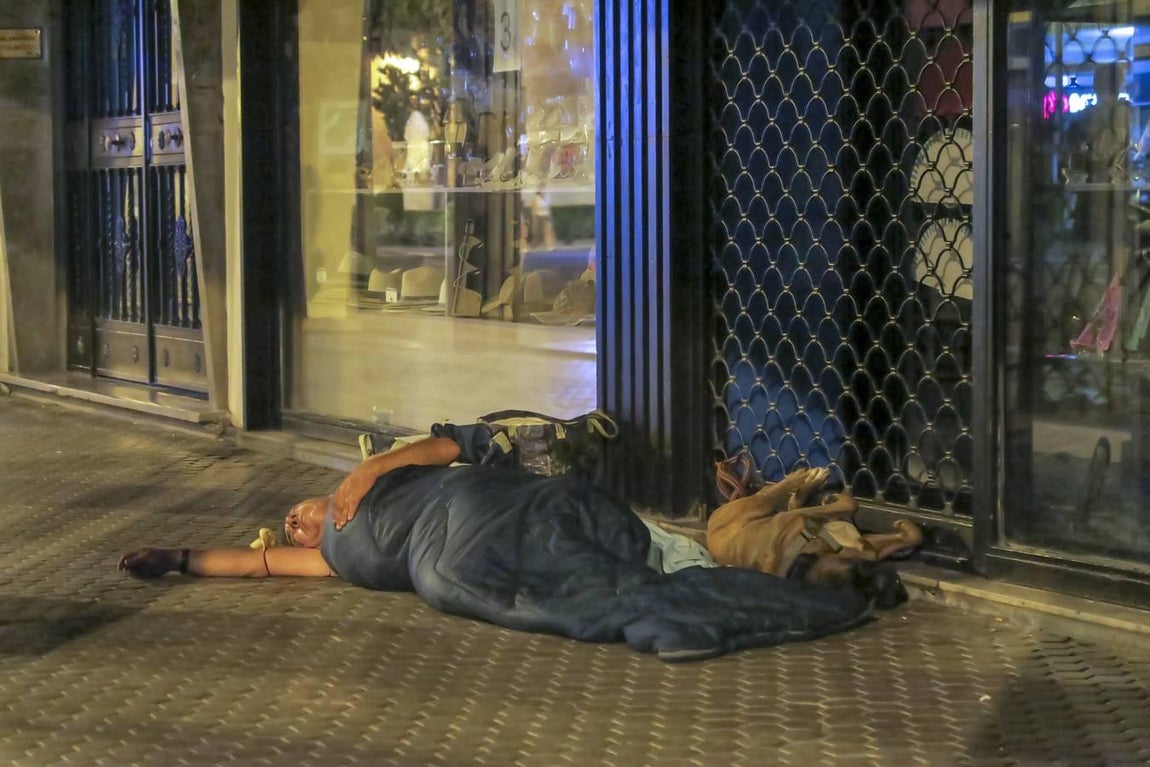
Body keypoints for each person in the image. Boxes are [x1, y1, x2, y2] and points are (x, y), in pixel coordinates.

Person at [119, 433, 876, 661]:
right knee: (494, 591)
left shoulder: (371, 479)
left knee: (539, 538)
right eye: (290, 528)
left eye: (296, 512)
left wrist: (371, 466)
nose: (295, 524)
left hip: (467, 505)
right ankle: (664, 610)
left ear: (321, 497)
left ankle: (682, 591)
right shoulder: (332, 554)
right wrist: (176, 559)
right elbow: (250, 564)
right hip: (437, 562)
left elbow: (447, 445)